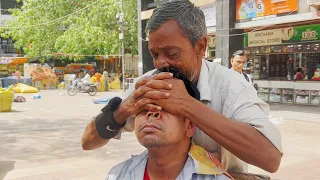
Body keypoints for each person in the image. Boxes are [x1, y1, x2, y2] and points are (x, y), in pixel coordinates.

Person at [81, 0, 282, 174]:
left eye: (172, 53)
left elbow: (270, 159)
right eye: (155, 54)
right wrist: (123, 110)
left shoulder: (231, 87)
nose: (160, 63)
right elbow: (88, 142)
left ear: (201, 47)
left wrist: (186, 106)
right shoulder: (148, 85)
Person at [105, 84, 233, 179]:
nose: (152, 113)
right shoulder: (117, 175)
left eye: (166, 107)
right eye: (144, 107)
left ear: (189, 126)